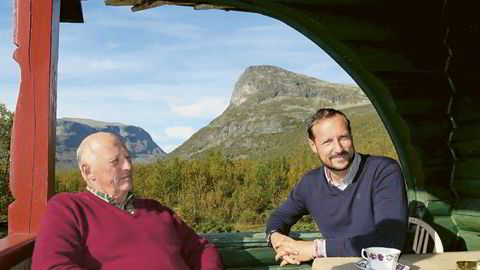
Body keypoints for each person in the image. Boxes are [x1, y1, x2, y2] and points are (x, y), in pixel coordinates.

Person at [32, 132, 223, 270]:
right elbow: (51, 266)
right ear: (88, 171)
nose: (128, 166)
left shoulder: (157, 210)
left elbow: (202, 248)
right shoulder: (68, 208)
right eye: (115, 161)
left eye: (128, 158)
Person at [265, 108, 408, 266]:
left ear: (351, 136)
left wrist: (315, 249)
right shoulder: (310, 184)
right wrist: (275, 238)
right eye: (327, 142)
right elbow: (280, 217)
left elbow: (388, 241)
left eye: (343, 138)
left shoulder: (383, 171)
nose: (339, 149)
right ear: (313, 146)